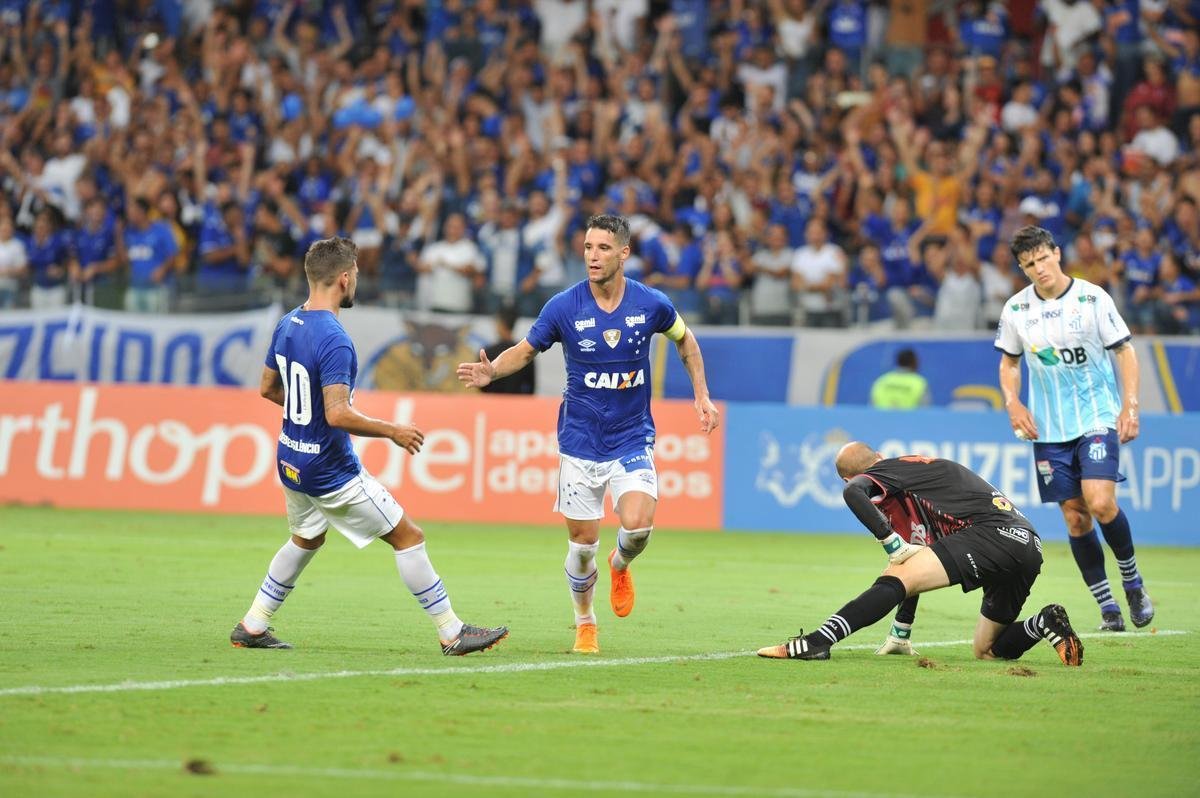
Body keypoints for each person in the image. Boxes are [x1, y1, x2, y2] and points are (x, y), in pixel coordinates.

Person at [457, 214, 720, 655]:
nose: (592, 257)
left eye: (602, 248)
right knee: (582, 547)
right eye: (587, 248)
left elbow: (686, 341)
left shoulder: (651, 304)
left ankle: (620, 565)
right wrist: (493, 370)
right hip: (579, 443)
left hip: (632, 437)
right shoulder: (563, 306)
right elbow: (525, 350)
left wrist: (702, 396)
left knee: (637, 528)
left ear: (623, 253)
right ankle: (586, 623)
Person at [231, 237, 508, 656]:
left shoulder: (288, 323)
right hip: (329, 470)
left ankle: (253, 624)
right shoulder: (335, 339)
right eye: (356, 273)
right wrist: (392, 430)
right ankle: (452, 632)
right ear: (344, 279)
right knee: (408, 536)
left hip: (290, 457)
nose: (356, 280)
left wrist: (306, 414)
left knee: (306, 538)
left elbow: (268, 389)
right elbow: (339, 414)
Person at [756, 442, 1084, 666]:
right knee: (986, 651)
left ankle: (818, 642)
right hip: (1027, 543)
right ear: (880, 453)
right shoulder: (912, 489)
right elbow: (920, 564)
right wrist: (901, 630)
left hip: (992, 534)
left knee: (896, 574)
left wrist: (890, 541)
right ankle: (1044, 622)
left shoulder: (891, 472)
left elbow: (853, 492)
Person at [996, 225, 1152, 632]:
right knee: (1076, 519)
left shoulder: (1092, 298)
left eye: (1043, 258)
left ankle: (1132, 581)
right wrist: (1013, 403)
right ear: (1022, 267)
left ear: (1057, 254)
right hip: (1048, 430)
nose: (1039, 268)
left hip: (1097, 417)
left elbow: (1126, 351)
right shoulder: (1016, 310)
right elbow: (1009, 363)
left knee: (1099, 502)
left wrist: (1130, 407)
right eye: (1029, 264)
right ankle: (1108, 609)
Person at [480, 304, 536, 395]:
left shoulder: (487, 353)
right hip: (518, 406)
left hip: (493, 405)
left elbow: (482, 385)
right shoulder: (527, 353)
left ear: (500, 324)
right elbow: (531, 387)